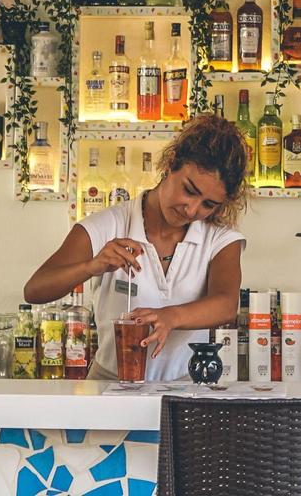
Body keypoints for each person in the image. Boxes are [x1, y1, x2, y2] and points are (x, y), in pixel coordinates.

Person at [24, 114, 248, 381]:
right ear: (171, 163)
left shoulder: (220, 239)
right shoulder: (108, 225)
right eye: (189, 190)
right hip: (109, 386)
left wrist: (171, 317)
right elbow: (35, 290)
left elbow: (226, 305)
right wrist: (91, 266)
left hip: (185, 389)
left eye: (208, 204)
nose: (191, 210)